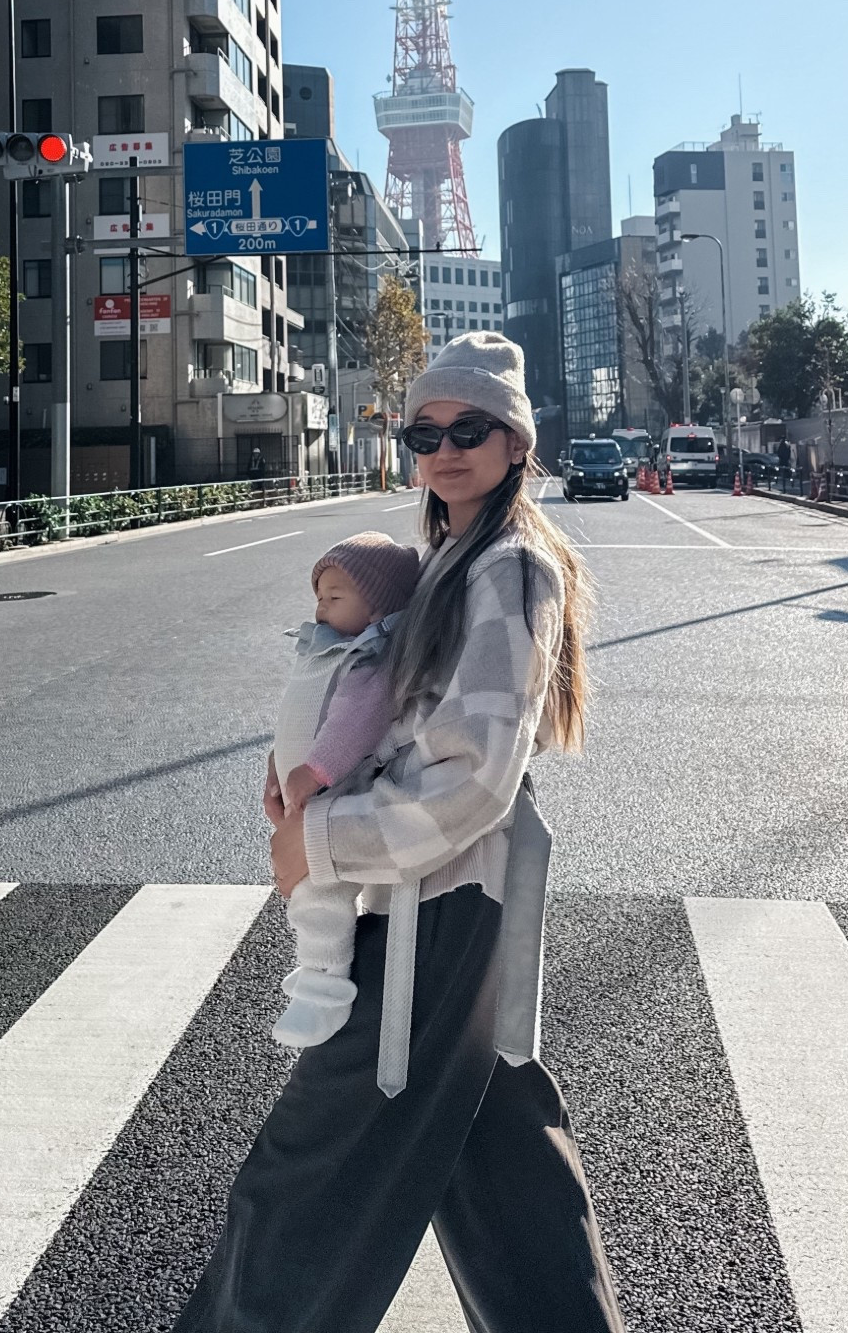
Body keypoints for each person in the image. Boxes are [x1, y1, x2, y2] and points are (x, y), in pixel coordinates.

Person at [172, 332, 626, 1333]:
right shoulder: (454, 560)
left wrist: (322, 838)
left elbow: (475, 778)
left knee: (302, 1180)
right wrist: (308, 769)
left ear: (516, 442)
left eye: (472, 428)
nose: (445, 446)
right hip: (450, 899)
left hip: (443, 905)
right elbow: (388, 708)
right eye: (426, 430)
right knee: (507, 1180)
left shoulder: (507, 565)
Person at [271, 532, 422, 1049]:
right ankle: (317, 975)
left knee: (321, 887)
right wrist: (277, 761)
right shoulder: (324, 645)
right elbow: (299, 708)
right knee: (307, 885)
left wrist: (313, 771)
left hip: (334, 788)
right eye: (319, 595)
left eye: (335, 597)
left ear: (378, 606)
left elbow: (354, 724)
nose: (321, 605)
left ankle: (323, 984)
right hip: (302, 786)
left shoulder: (367, 658)